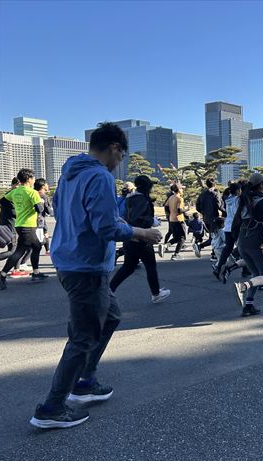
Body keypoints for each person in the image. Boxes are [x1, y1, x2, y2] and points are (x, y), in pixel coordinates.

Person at [29, 123, 161, 429]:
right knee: (83, 337)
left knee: (111, 316)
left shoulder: (69, 174)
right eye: (121, 155)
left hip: (70, 259)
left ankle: (86, 380)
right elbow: (106, 227)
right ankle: (52, 407)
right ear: (114, 148)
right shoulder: (100, 176)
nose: (120, 162)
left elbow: (68, 212)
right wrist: (142, 233)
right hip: (86, 266)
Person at [109, 175, 170, 303]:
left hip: (130, 235)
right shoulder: (141, 199)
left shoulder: (130, 198)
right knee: (150, 265)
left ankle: (109, 290)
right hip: (141, 237)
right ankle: (156, 293)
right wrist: (152, 221)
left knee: (128, 267)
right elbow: (137, 219)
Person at [232, 173, 263, 316]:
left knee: (255, 274)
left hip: (242, 242)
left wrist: (236, 243)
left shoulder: (244, 201)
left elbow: (236, 223)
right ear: (260, 186)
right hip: (257, 242)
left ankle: (248, 305)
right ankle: (243, 286)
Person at [0, 168, 48, 289]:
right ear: (29, 179)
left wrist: (19, 208)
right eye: (33, 178)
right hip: (28, 225)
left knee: (35, 247)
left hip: (19, 224)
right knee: (21, 251)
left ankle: (36, 273)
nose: (34, 180)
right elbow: (40, 209)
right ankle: (2, 275)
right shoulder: (32, 192)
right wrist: (40, 201)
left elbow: (2, 201)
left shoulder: (15, 191)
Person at [0, 178, 27, 277]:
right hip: (10, 227)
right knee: (13, 251)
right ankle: (15, 269)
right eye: (18, 185)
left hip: (9, 226)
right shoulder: (11, 196)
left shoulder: (11, 195)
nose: (19, 187)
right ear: (13, 185)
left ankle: (16, 269)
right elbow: (15, 212)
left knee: (17, 249)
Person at [215, 182, 242, 279]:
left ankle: (218, 267)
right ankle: (246, 270)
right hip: (236, 226)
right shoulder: (237, 200)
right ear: (238, 191)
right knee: (243, 247)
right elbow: (237, 213)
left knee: (227, 248)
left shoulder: (228, 200)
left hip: (227, 226)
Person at [164, 184, 187, 261]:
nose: (182, 190)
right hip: (179, 220)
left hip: (171, 219)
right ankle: (175, 255)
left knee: (176, 238)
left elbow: (166, 207)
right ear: (179, 190)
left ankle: (165, 245)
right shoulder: (180, 198)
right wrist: (187, 209)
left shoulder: (171, 197)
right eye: (182, 189)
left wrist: (170, 214)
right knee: (182, 238)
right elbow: (179, 210)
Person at [34, 178, 52, 254]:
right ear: (43, 186)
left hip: (31, 220)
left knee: (44, 235)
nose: (47, 185)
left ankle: (47, 250)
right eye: (46, 184)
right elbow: (48, 210)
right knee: (43, 237)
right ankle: (47, 250)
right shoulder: (43, 196)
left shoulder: (33, 193)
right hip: (40, 220)